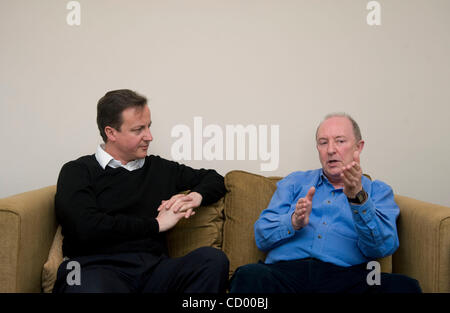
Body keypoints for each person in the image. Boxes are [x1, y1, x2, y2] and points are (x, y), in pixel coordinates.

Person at [53, 89, 229, 293]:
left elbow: (214, 179)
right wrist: (155, 225)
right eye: (138, 130)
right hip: (90, 268)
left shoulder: (160, 169)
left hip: (151, 270)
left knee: (212, 260)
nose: (150, 137)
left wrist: (193, 198)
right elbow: (86, 227)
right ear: (111, 133)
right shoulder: (77, 171)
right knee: (84, 287)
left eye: (149, 127)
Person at [229, 113, 421, 293]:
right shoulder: (295, 182)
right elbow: (261, 236)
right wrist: (293, 222)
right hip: (287, 274)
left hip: (347, 277)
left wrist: (358, 199)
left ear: (358, 147)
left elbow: (382, 247)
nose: (330, 150)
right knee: (249, 275)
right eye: (323, 143)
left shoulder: (378, 191)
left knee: (404, 287)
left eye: (340, 141)